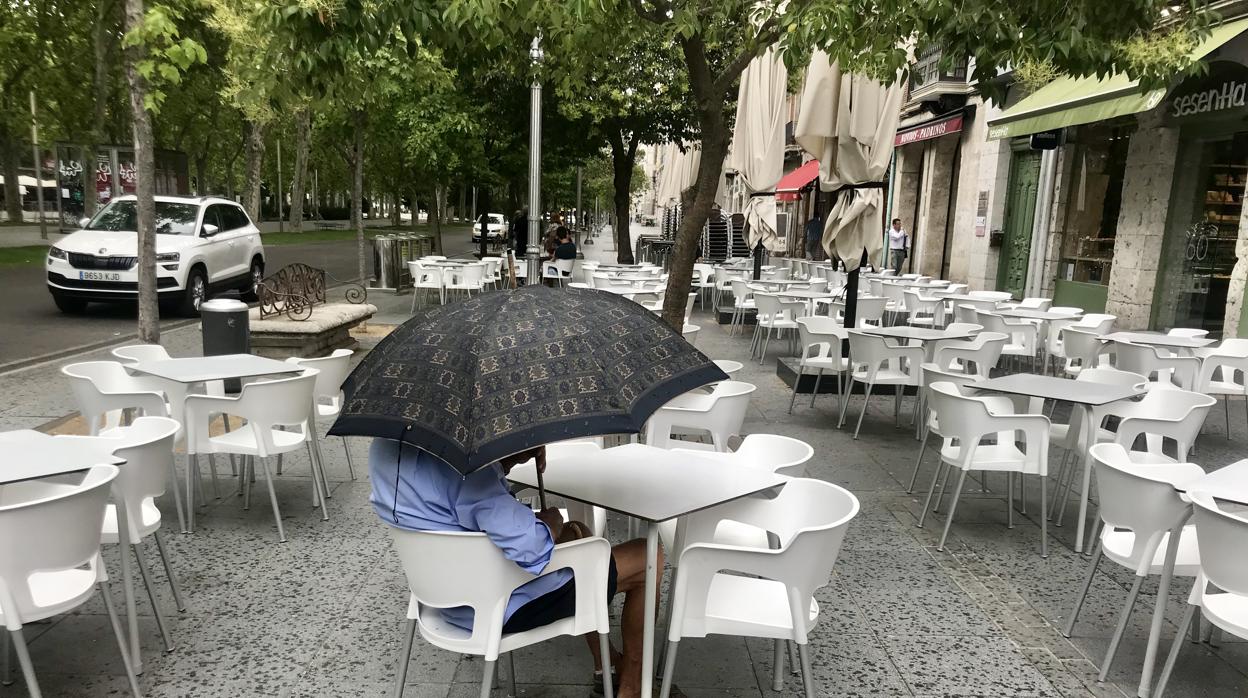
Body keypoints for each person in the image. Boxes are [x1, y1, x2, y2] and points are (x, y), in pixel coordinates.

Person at [369, 441, 657, 698]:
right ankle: (632, 684)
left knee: (577, 534)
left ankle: (604, 664)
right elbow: (530, 548)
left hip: (438, 595)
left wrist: (507, 461)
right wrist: (550, 524)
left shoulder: (383, 447)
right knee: (647, 555)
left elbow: (454, 503)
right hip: (497, 605)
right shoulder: (468, 467)